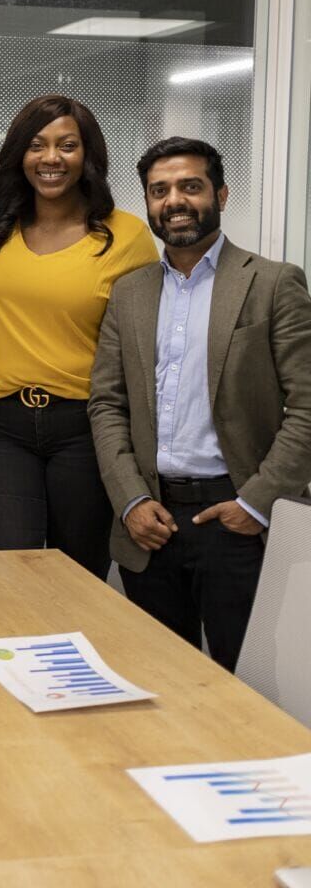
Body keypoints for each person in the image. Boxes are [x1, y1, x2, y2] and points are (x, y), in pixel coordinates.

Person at [89, 137, 311, 671]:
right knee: (160, 681)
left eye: (190, 186)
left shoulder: (273, 283)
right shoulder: (130, 292)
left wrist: (255, 503)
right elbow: (107, 404)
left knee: (248, 681)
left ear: (221, 194)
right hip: (151, 520)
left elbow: (306, 407)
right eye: (159, 190)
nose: (175, 201)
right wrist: (130, 500)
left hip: (235, 518)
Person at [0, 94, 158, 579]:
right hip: (2, 428)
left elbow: (145, 348)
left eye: (67, 145)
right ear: (19, 156)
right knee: (2, 576)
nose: (51, 158)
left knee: (77, 580)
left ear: (88, 155)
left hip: (86, 429)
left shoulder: (126, 236)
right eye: (36, 145)